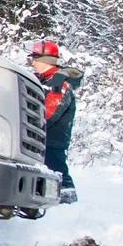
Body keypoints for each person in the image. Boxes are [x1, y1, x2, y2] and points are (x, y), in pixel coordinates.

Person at [28, 40, 83, 204]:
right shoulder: (45, 80)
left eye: (35, 58)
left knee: (58, 175)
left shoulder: (59, 83)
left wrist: (30, 126)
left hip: (51, 141)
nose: (33, 62)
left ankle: (67, 209)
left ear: (45, 60)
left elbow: (49, 113)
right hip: (42, 139)